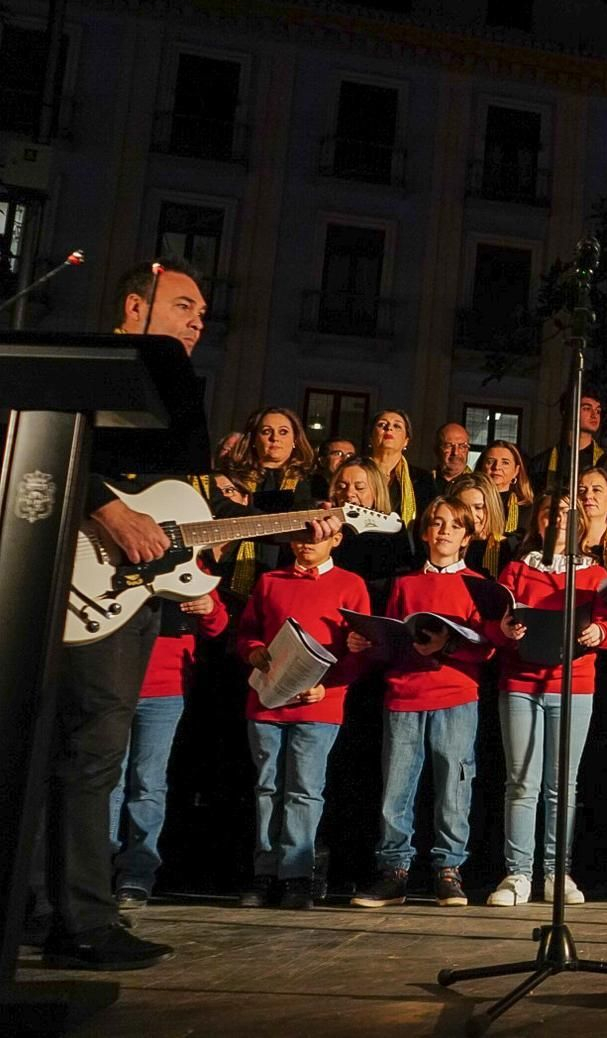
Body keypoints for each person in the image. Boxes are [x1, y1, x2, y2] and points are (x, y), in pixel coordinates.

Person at [39, 257, 337, 969]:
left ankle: (68, 912)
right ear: (133, 308)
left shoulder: (169, 390)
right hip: (68, 580)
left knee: (91, 759)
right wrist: (109, 512)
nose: (199, 319)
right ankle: (72, 921)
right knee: (75, 756)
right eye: (183, 305)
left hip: (131, 602)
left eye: (203, 311)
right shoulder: (89, 365)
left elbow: (177, 514)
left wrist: (288, 529)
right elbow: (46, 445)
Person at [350, 497, 493, 908]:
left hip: (456, 694)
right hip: (404, 694)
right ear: (425, 532)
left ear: (467, 536)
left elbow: (487, 648)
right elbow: (391, 642)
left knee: (453, 784)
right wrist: (367, 642)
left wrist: (447, 646)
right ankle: (394, 870)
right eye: (436, 523)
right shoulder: (405, 584)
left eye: (454, 525)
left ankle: (449, 869)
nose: (444, 530)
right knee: (397, 786)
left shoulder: (477, 584)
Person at [488, 491, 607, 906]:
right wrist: (506, 632)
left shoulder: (595, 572)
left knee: (562, 785)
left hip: (573, 684)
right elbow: (493, 625)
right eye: (552, 513)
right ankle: (518, 874)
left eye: (569, 514)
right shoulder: (516, 569)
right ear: (539, 522)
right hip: (521, 684)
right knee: (522, 783)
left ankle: (556, 872)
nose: (561, 519)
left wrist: (601, 634)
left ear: (582, 523)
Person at [236, 526, 369, 909]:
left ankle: (296, 874)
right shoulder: (270, 581)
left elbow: (359, 651)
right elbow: (246, 633)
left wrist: (330, 688)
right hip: (267, 701)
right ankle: (265, 872)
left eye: (317, 536)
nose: (307, 543)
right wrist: (255, 650)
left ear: (337, 539)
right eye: (299, 535)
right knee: (267, 787)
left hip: (318, 704)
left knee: (304, 790)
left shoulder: (351, 584)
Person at [109, 591, 229, 911]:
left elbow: (217, 626)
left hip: (165, 689)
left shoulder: (189, 566)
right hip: (114, 684)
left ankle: (136, 875)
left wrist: (209, 608)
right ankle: (94, 872)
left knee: (148, 782)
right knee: (108, 782)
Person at [219, 406, 320, 600]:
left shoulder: (312, 483)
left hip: (288, 578)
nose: (275, 438)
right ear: (254, 440)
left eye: (283, 432)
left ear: (295, 440)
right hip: (230, 575)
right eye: (266, 432)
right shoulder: (231, 479)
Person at [328, 457, 411, 606]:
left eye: (359, 488)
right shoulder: (326, 527)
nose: (349, 494)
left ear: (376, 491)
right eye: (341, 487)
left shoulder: (393, 529)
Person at [366, 409, 433, 545]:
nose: (389, 428)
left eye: (397, 426)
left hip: (404, 556)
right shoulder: (354, 471)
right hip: (357, 550)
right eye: (381, 424)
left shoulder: (422, 479)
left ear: (406, 441)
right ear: (370, 437)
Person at [530, 391, 605, 492]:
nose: (594, 415)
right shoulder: (542, 463)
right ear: (568, 412)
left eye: (598, 411)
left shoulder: (605, 461)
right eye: (587, 409)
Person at [448, 471, 510, 576]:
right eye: (464, 507)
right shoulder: (446, 545)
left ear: (491, 507)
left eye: (478, 507)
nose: (472, 515)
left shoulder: (507, 547)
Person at [476, 439, 536, 543]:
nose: (497, 467)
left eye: (505, 462)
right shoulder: (471, 501)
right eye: (490, 461)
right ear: (481, 466)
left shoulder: (528, 508)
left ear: (516, 471)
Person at [425, 423, 471, 499]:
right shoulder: (421, 483)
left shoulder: (477, 485)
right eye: (448, 446)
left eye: (462, 446)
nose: (455, 452)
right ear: (436, 450)